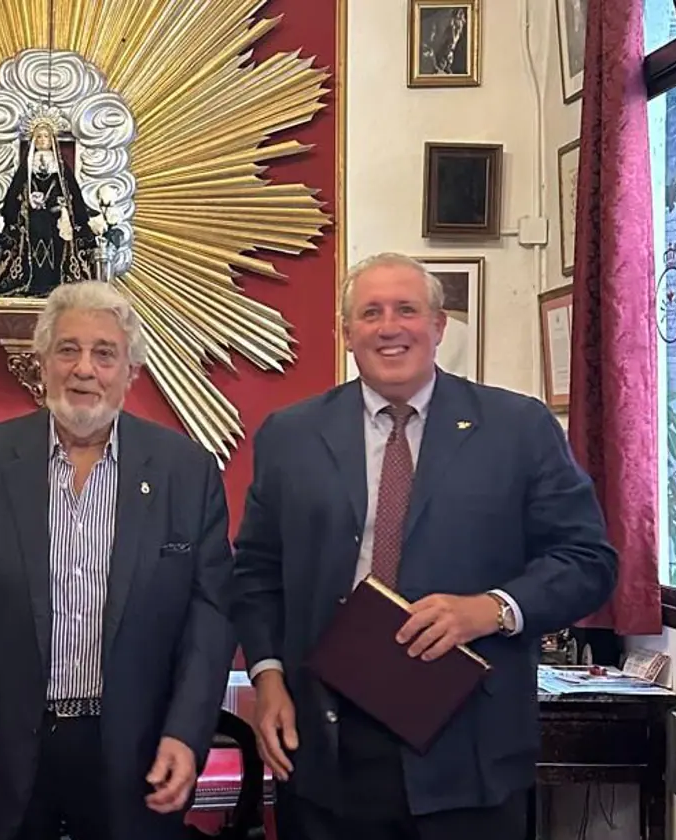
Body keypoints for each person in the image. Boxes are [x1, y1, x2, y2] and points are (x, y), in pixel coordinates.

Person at [231, 252, 617, 840]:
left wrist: (490, 609)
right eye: (371, 313)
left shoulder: (518, 428)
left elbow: (589, 562)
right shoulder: (292, 434)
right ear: (347, 333)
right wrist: (267, 676)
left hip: (467, 745)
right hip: (328, 743)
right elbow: (257, 573)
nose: (390, 327)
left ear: (438, 326)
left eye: (407, 310)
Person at [0, 280, 235, 840]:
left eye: (105, 353)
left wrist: (186, 732)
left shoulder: (186, 471)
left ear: (131, 372)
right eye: (68, 349)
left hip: (136, 759)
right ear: (42, 363)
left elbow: (211, 616)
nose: (84, 369)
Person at [0, 120, 96, 297]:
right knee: (31, 247)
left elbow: (71, 193)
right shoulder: (27, 167)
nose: (43, 140)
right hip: (32, 219)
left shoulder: (60, 168)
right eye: (39, 137)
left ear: (52, 140)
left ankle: (55, 282)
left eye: (46, 137)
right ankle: (33, 281)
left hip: (54, 220)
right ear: (34, 140)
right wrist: (26, 203)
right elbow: (15, 194)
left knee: (57, 248)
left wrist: (62, 205)